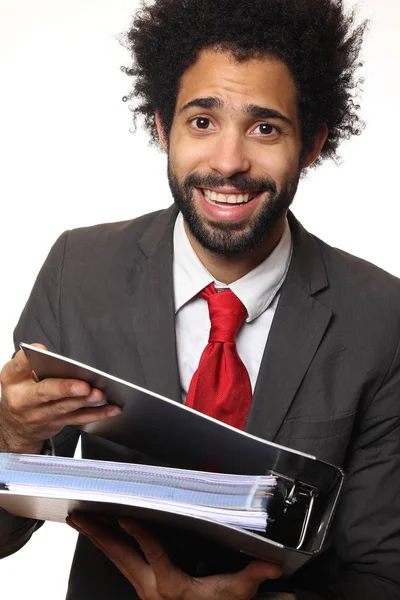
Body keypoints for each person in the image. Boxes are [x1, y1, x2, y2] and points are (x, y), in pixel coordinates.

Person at [1, 0, 400, 598]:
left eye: (266, 128)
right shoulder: (76, 270)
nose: (229, 162)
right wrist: (10, 434)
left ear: (313, 143)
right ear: (162, 126)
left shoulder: (381, 315)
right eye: (202, 122)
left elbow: (384, 569)